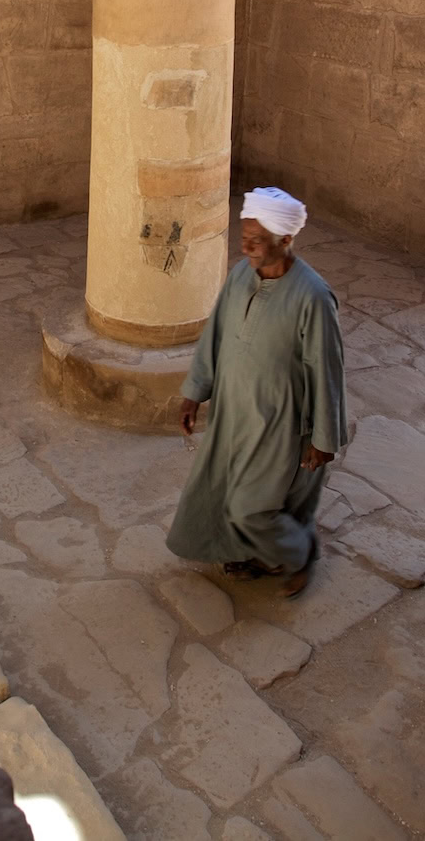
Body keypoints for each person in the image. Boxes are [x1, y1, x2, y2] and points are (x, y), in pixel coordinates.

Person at [166, 186, 346, 597]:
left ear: (285, 239)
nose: (245, 245)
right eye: (244, 235)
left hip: (280, 424)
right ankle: (247, 553)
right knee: (224, 489)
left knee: (252, 506)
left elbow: (328, 369)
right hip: (234, 414)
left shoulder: (313, 297)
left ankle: (298, 553)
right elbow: (216, 336)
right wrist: (195, 392)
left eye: (257, 239)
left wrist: (324, 437)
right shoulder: (240, 276)